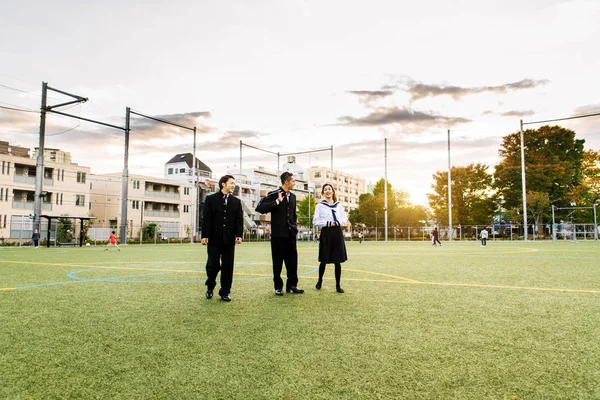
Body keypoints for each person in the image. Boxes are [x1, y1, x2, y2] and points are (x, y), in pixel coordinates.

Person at [255, 171, 304, 296]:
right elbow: (260, 208)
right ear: (286, 182)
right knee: (277, 262)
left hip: (290, 235)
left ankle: (292, 285)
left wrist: (294, 226)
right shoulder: (273, 194)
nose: (294, 183)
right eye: (293, 181)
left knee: (293, 261)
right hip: (278, 235)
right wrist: (276, 202)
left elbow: (293, 214)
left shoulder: (293, 196)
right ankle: (278, 287)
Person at [201, 174, 243, 302]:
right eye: (231, 183)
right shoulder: (210, 199)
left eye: (234, 183)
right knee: (213, 265)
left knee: (228, 266)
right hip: (214, 239)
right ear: (223, 184)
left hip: (229, 240)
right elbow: (206, 219)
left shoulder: (237, 202)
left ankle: (225, 292)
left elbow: (239, 220)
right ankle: (210, 285)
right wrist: (205, 236)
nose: (233, 185)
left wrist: (239, 235)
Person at [313, 183, 348, 293]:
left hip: (337, 232)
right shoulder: (320, 206)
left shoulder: (338, 205)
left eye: (329, 189)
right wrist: (328, 223)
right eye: (325, 189)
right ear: (323, 193)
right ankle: (319, 281)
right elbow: (315, 221)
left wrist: (337, 222)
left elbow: (344, 218)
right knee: (324, 260)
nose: (328, 191)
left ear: (333, 191)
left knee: (337, 261)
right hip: (326, 233)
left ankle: (338, 285)